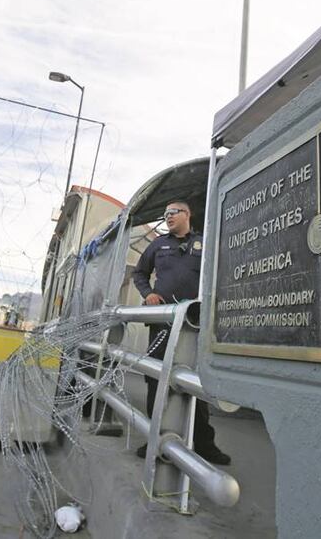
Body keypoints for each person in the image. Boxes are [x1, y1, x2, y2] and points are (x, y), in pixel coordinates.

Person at [131, 200, 230, 466]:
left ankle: (204, 444)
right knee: (156, 379)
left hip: (196, 324)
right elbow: (139, 273)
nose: (168, 216)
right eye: (165, 214)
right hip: (163, 323)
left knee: (195, 381)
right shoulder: (157, 245)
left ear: (188, 214)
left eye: (173, 212)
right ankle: (156, 439)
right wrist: (148, 293)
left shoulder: (205, 243)